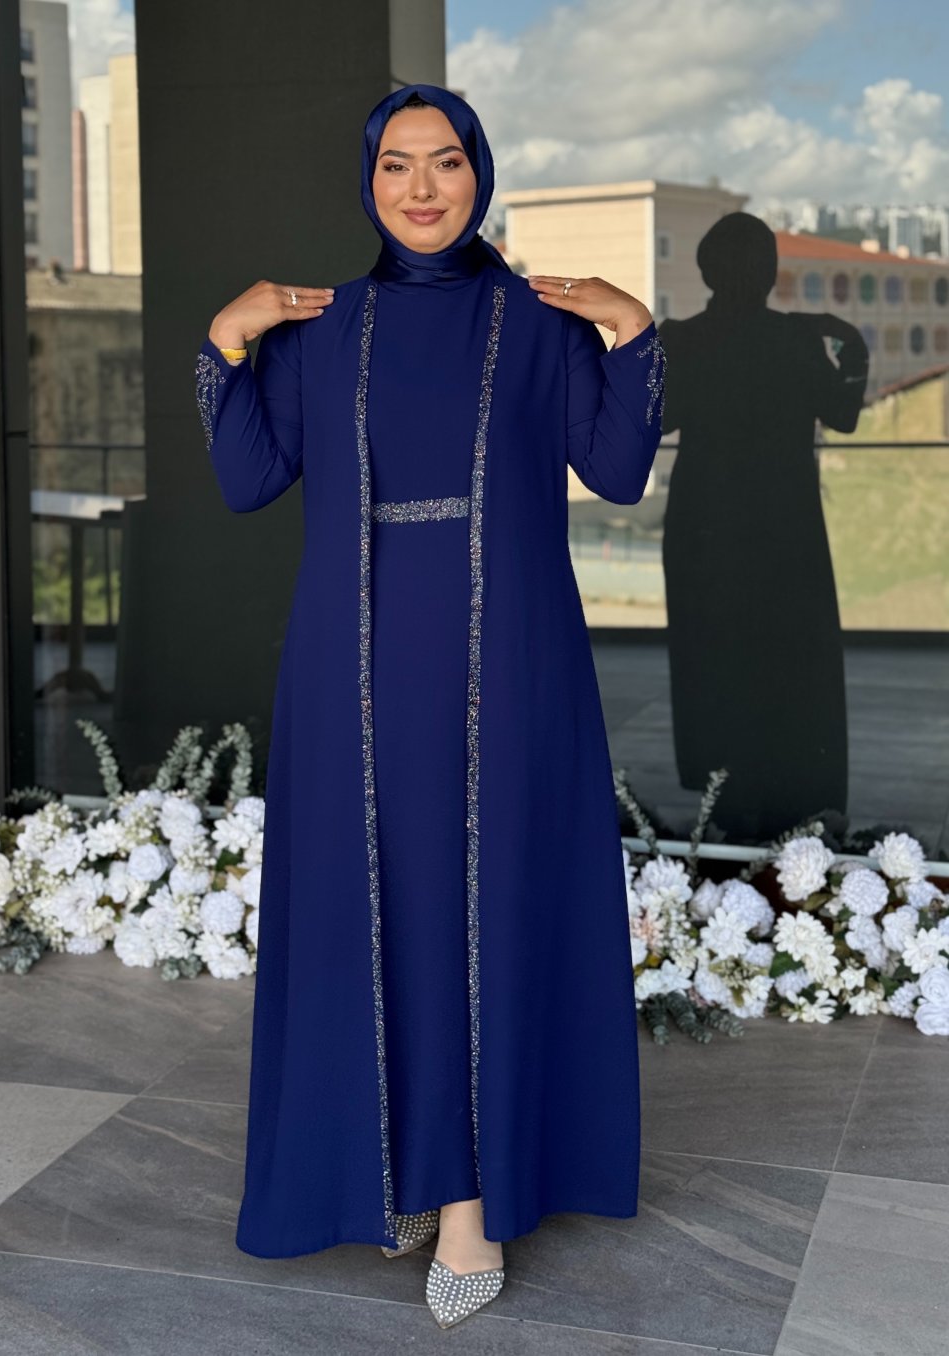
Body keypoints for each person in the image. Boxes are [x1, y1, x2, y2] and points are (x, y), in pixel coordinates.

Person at [195, 82, 665, 1330]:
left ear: (479, 174)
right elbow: (246, 479)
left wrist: (629, 330)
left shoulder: (538, 320)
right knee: (384, 909)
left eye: (445, 162)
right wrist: (228, 339)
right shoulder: (323, 326)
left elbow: (618, 473)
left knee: (481, 907)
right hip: (351, 675)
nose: (420, 186)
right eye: (396, 164)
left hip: (508, 662)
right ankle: (399, 1168)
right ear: (368, 183)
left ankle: (469, 1203)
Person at [658, 212, 868, 841]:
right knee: (790, 658)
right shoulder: (796, 339)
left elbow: (659, 420)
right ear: (770, 272)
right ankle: (793, 800)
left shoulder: (683, 339)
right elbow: (845, 414)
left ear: (707, 271)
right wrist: (850, 344)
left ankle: (723, 797)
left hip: (704, 525)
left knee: (713, 657)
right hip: (785, 524)